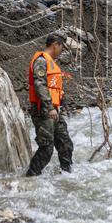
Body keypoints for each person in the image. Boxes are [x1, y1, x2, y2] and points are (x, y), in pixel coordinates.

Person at [26, 34, 74, 176]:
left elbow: (51, 85)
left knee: (65, 144)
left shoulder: (51, 62)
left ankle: (66, 175)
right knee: (46, 148)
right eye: (61, 47)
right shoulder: (41, 61)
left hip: (53, 110)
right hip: (44, 110)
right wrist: (49, 106)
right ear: (55, 45)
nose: (62, 51)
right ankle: (30, 177)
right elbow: (39, 84)